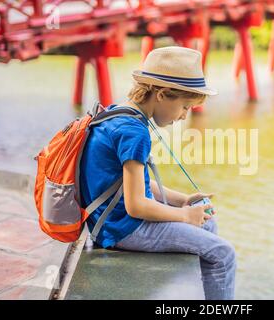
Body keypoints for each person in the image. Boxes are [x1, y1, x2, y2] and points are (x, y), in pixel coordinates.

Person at [80, 46, 236, 300]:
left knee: (207, 220)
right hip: (124, 229)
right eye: (185, 107)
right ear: (163, 95)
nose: (184, 116)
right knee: (223, 254)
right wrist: (184, 216)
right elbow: (136, 205)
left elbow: (127, 183)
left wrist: (182, 201)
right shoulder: (135, 133)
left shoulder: (116, 114)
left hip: (108, 221)